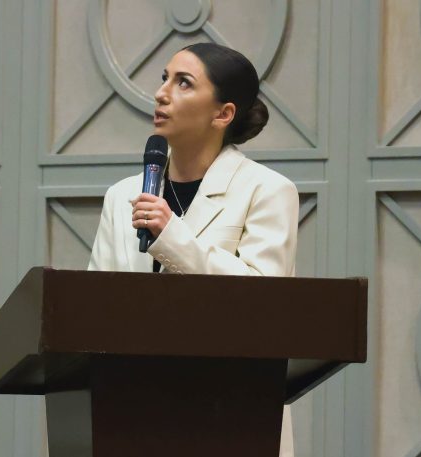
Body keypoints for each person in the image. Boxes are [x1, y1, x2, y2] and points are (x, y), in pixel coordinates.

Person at [87, 42, 298, 456]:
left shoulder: (267, 190)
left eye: (183, 83)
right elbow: (95, 309)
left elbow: (264, 302)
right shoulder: (122, 196)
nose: (161, 93)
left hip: (232, 415)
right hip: (132, 414)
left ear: (223, 114)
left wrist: (172, 237)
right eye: (164, 79)